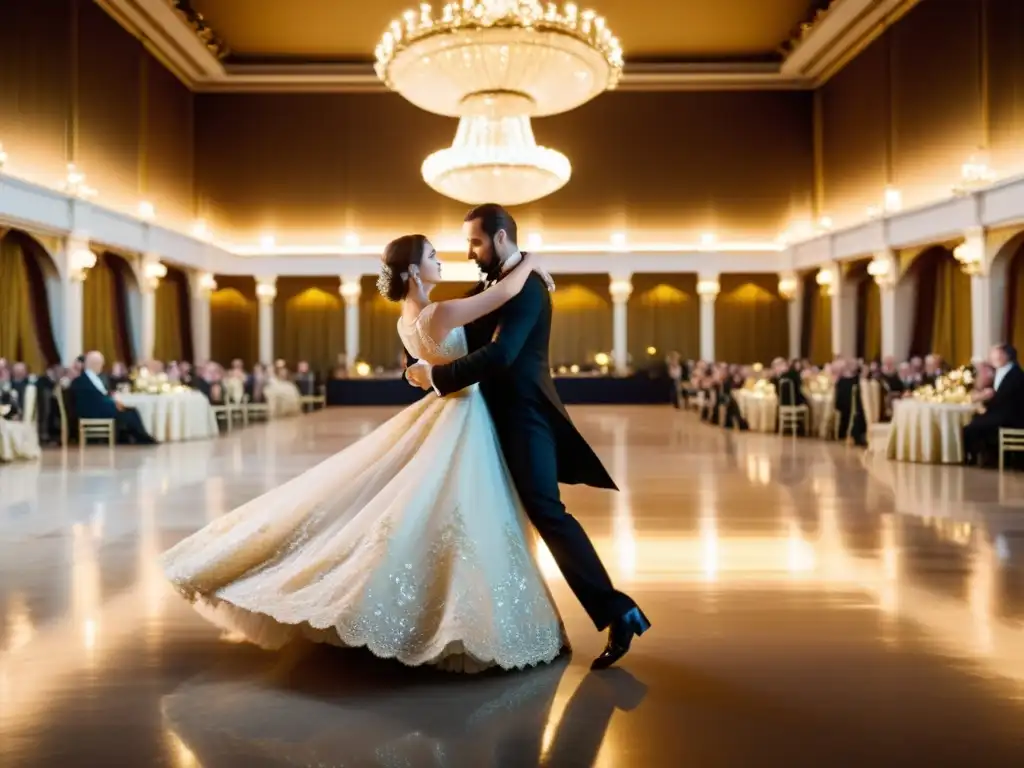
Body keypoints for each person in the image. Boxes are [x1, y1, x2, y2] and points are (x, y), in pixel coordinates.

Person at [161, 234, 566, 673]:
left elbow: (443, 349)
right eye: (432, 256)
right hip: (464, 412)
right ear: (412, 271)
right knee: (456, 508)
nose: (442, 261)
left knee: (430, 507)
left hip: (446, 408)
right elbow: (503, 294)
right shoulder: (441, 312)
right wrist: (532, 263)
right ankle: (449, 621)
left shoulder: (407, 319)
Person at [406, 204, 649, 670]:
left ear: (500, 238)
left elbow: (501, 356)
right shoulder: (493, 286)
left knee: (546, 511)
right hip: (483, 419)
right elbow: (447, 332)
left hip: (525, 417)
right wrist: (418, 361)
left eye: (475, 242)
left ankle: (619, 611)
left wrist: (437, 377)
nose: (469, 251)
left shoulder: (529, 288)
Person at [69, 351, 157, 444]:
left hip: (101, 407)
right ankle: (142, 438)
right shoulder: (82, 381)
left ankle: (134, 437)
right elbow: (94, 400)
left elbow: (101, 395)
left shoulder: (94, 378)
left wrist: (113, 402)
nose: (101, 367)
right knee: (130, 414)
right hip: (93, 411)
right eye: (100, 364)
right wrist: (113, 404)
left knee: (131, 411)